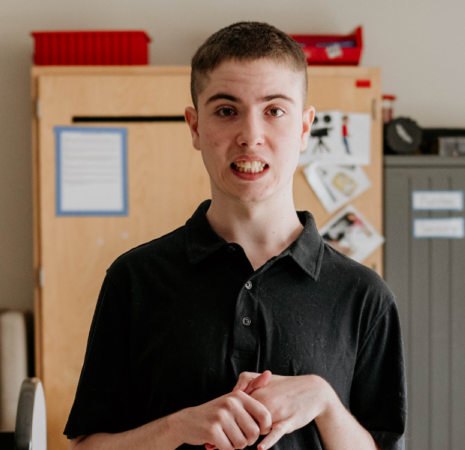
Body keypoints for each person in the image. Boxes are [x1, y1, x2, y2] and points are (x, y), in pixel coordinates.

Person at [63, 22, 405, 450]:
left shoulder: (364, 295)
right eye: (227, 111)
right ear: (194, 126)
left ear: (304, 128)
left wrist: (325, 402)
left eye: (274, 110)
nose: (250, 136)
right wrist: (176, 428)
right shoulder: (135, 279)